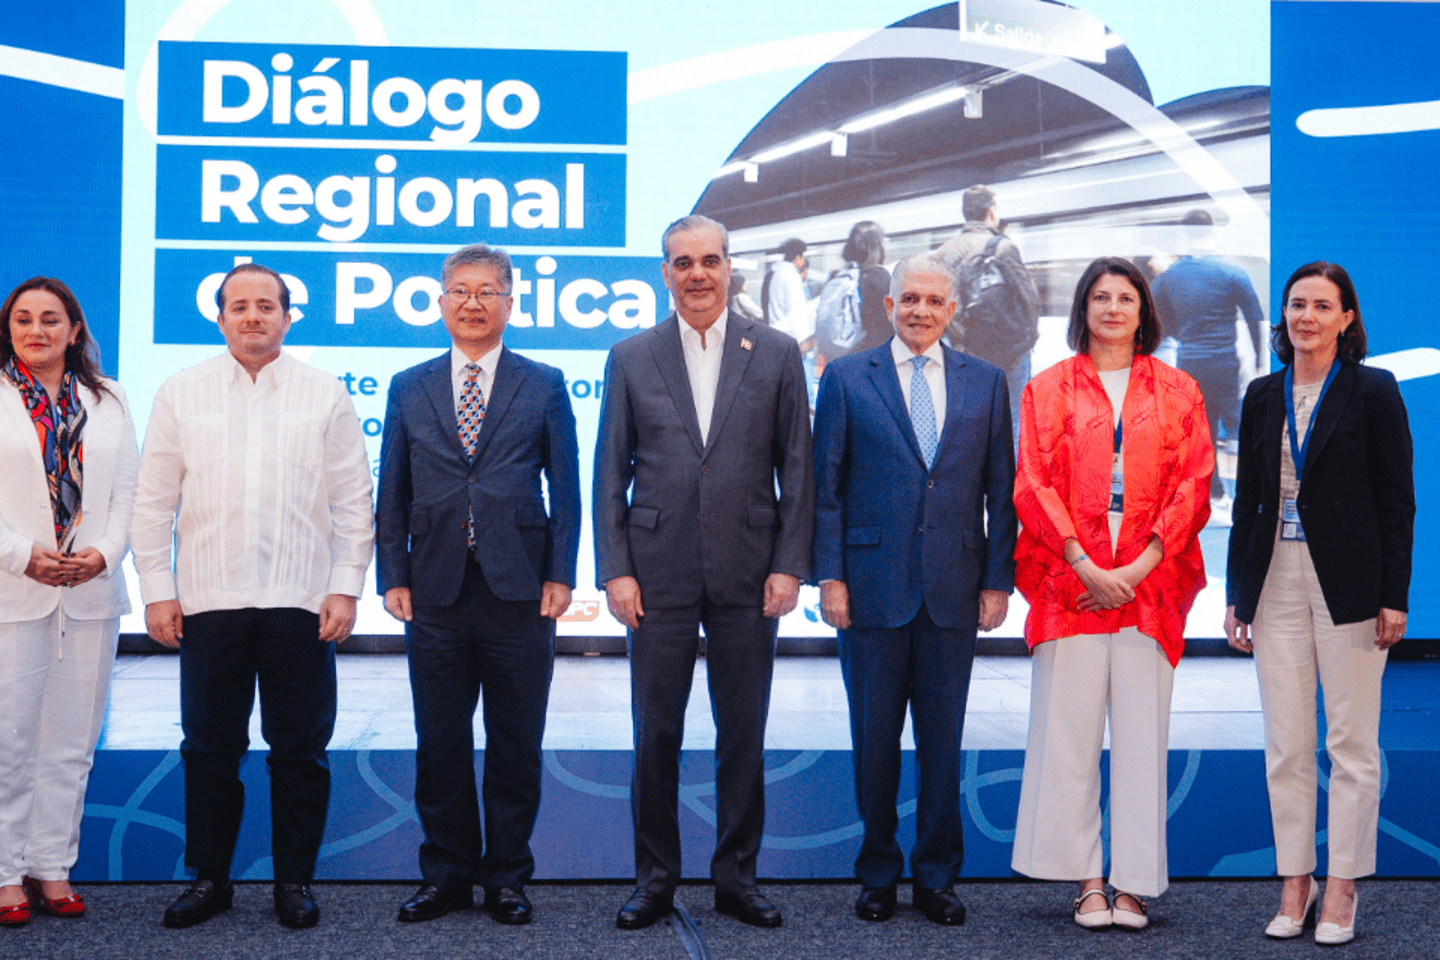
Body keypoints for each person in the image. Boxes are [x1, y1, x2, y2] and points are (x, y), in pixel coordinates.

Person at [132, 263, 374, 930]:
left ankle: (294, 882)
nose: (252, 317)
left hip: (301, 602)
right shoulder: (181, 392)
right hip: (208, 601)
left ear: (288, 316)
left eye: (266, 305)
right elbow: (153, 503)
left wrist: (345, 587)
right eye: (239, 306)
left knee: (300, 752)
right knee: (210, 749)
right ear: (219, 318)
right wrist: (157, 590)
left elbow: (355, 500)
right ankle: (210, 879)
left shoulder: (323, 392)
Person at [594, 214, 813, 930]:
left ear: (729, 267)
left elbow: (798, 470)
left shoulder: (777, 353)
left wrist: (790, 565)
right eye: (682, 262)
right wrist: (615, 571)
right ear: (665, 272)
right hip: (654, 575)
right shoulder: (630, 356)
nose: (697, 274)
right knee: (655, 733)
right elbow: (609, 473)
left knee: (741, 731)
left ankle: (736, 878)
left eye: (710, 261)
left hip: (751, 574)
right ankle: (654, 880)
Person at [376, 243, 580, 926]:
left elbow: (568, 489)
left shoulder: (544, 382)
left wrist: (561, 572)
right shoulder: (409, 385)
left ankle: (507, 879)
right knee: (440, 742)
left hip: (520, 589)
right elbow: (393, 491)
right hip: (433, 587)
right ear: (440, 302)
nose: (472, 302)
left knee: (516, 740)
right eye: (460, 290)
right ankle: (446, 876)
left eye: (486, 290)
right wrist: (392, 573)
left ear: (509, 301)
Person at [1010, 257, 1213, 931]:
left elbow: (1193, 484)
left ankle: (1133, 885)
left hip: (1149, 587)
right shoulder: (1048, 388)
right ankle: (1089, 882)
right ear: (1083, 309)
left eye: (1126, 297)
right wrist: (1084, 564)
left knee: (1141, 739)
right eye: (1101, 296)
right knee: (1067, 738)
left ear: (1143, 311)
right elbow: (1033, 484)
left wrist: (1140, 564)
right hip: (1071, 585)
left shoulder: (1180, 390)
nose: (1114, 308)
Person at [812, 254, 1015, 926]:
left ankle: (935, 877)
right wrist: (831, 576)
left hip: (955, 590)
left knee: (941, 741)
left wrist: (996, 581)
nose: (921, 310)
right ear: (890, 304)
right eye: (910, 299)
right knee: (873, 742)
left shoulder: (986, 383)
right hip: (869, 591)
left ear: (952, 309)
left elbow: (1000, 492)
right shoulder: (845, 377)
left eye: (934, 300)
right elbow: (827, 489)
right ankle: (876, 872)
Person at [1225, 262, 1413, 946]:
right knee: (1286, 744)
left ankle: (1343, 887)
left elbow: (1398, 502)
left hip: (1352, 584)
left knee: (1351, 742)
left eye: (1321, 306)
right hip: (1274, 578)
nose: (1306, 316)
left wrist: (1396, 595)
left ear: (1347, 318)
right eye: (1296, 304)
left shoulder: (1374, 390)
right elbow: (1248, 502)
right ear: (1284, 316)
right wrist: (1237, 593)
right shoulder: (1260, 394)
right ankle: (1295, 881)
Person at [0, 278, 137, 928]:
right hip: (12, 589)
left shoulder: (108, 401)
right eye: (23, 319)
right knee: (9, 740)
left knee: (71, 742)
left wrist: (103, 555)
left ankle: (53, 866)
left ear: (74, 329)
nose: (36, 330)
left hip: (90, 593)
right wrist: (22, 553)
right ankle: (4, 874)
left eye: (50, 319)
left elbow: (130, 497)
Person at [1151, 209, 1266, 502]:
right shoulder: (1232, 272)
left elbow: (1158, 320)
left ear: (1184, 236)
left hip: (1189, 364)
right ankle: (1256, 492)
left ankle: (1216, 497)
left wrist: (1185, 337)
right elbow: (1255, 317)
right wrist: (1259, 362)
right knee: (1243, 427)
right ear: (1214, 231)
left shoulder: (1169, 277)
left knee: (1202, 434)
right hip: (1225, 364)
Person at [933, 185, 1040, 437]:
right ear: (991, 212)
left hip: (967, 352)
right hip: (1010, 353)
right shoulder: (1002, 246)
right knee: (1012, 421)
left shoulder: (942, 253)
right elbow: (1029, 297)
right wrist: (1028, 339)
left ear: (965, 213)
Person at [813, 220, 890, 375]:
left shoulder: (842, 277)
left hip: (847, 364)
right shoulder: (880, 278)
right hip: (875, 365)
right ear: (875, 246)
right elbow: (893, 324)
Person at [762, 237, 814, 350]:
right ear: (797, 257)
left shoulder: (776, 274)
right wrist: (801, 340)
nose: (804, 260)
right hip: (791, 340)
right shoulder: (791, 276)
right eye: (803, 257)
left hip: (779, 337)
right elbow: (796, 311)